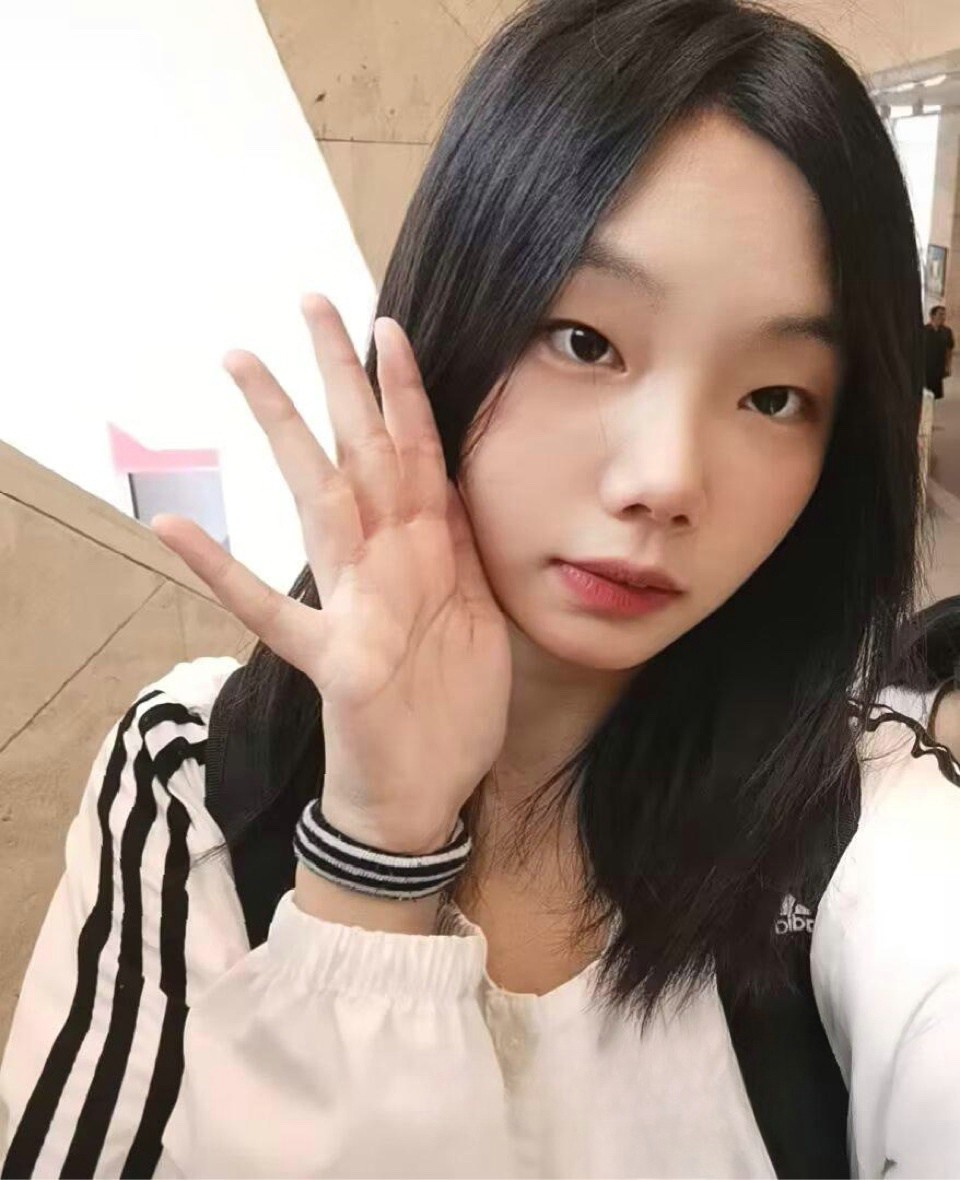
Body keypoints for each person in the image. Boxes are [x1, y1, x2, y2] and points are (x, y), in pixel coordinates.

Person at [3, 0, 960, 1176]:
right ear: (454, 316)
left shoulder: (862, 822)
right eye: (585, 341)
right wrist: (375, 856)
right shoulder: (198, 780)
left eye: (774, 397)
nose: (665, 478)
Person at [924, 304, 955, 399]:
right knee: (926, 395)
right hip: (925, 368)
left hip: (939, 368)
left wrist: (948, 366)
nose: (943, 317)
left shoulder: (947, 331)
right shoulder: (923, 331)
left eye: (944, 314)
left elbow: (949, 350)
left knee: (935, 395)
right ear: (932, 316)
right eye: (940, 314)